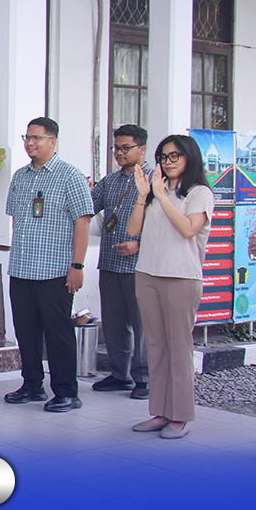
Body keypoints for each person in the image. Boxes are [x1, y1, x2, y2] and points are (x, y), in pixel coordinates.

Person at [3, 117, 94, 412]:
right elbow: (16, 220)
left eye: (37, 138)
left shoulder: (70, 176)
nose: (30, 143)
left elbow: (83, 222)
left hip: (55, 271)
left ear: (52, 141)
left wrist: (77, 266)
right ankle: (32, 385)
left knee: (58, 333)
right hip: (22, 268)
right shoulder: (20, 177)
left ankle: (67, 391)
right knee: (26, 331)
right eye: (27, 138)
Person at [127, 134, 212, 439]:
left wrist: (162, 197)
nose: (168, 162)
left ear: (190, 157)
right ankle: (161, 412)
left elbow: (189, 229)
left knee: (178, 347)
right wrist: (143, 196)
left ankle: (181, 416)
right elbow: (133, 230)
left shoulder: (199, 193)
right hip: (148, 273)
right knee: (156, 346)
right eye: (163, 157)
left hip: (181, 276)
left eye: (175, 156)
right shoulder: (155, 191)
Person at [90, 124, 151, 400]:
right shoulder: (110, 181)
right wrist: (84, 191)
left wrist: (140, 243)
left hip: (141, 265)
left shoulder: (154, 180)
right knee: (114, 323)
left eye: (126, 148)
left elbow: (164, 223)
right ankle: (119, 374)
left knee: (143, 324)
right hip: (110, 261)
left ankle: (145, 378)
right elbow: (89, 208)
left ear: (142, 149)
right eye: (116, 148)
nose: (119, 153)